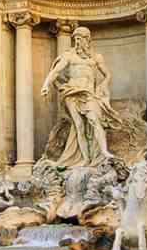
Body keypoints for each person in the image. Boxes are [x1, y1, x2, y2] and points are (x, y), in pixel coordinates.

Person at [40, 26, 114, 166]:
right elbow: (55, 72)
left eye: (80, 39)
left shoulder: (96, 57)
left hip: (88, 93)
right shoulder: (69, 55)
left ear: (88, 40)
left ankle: (104, 152)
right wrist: (46, 84)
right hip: (72, 92)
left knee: (94, 120)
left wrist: (104, 84)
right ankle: (85, 158)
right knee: (78, 126)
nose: (78, 42)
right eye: (76, 39)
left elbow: (108, 74)